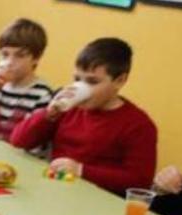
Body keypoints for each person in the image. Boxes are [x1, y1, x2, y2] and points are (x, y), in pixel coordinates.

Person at [10, 38, 156, 196]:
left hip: (97, 203)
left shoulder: (138, 125)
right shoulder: (69, 108)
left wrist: (81, 170)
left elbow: (139, 181)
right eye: (77, 79)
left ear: (119, 81)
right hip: (55, 191)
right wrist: (48, 114)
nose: (81, 86)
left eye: (92, 81)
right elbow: (18, 140)